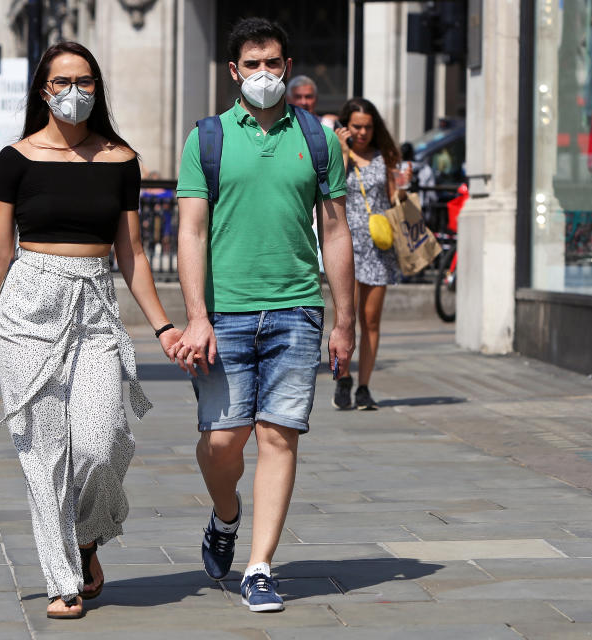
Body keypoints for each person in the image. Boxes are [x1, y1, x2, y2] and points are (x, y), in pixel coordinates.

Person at [0, 41, 183, 620]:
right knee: (44, 452)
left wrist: (163, 327)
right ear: (43, 91)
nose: (74, 91)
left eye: (85, 81)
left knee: (102, 443)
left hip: (97, 309)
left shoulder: (121, 159)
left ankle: (84, 538)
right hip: (30, 307)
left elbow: (131, 254)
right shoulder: (15, 159)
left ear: (97, 89)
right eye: (62, 82)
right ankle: (62, 579)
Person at [172, 17, 356, 613]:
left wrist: (343, 320)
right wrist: (195, 316)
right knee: (223, 440)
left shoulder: (319, 139)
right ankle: (226, 515)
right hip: (223, 316)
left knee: (279, 436)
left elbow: (335, 230)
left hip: (296, 311)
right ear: (234, 71)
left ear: (287, 63)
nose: (264, 74)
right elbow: (191, 232)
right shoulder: (207, 139)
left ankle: (258, 567)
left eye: (273, 63)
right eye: (252, 64)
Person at [332, 98, 403, 411]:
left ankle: (363, 386)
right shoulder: (339, 153)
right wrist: (343, 152)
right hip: (345, 245)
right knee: (344, 319)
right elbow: (330, 187)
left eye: (368, 127)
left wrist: (402, 187)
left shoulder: (384, 156)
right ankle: (341, 379)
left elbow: (393, 199)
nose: (362, 133)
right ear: (347, 126)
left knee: (370, 321)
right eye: (356, 127)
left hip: (377, 246)